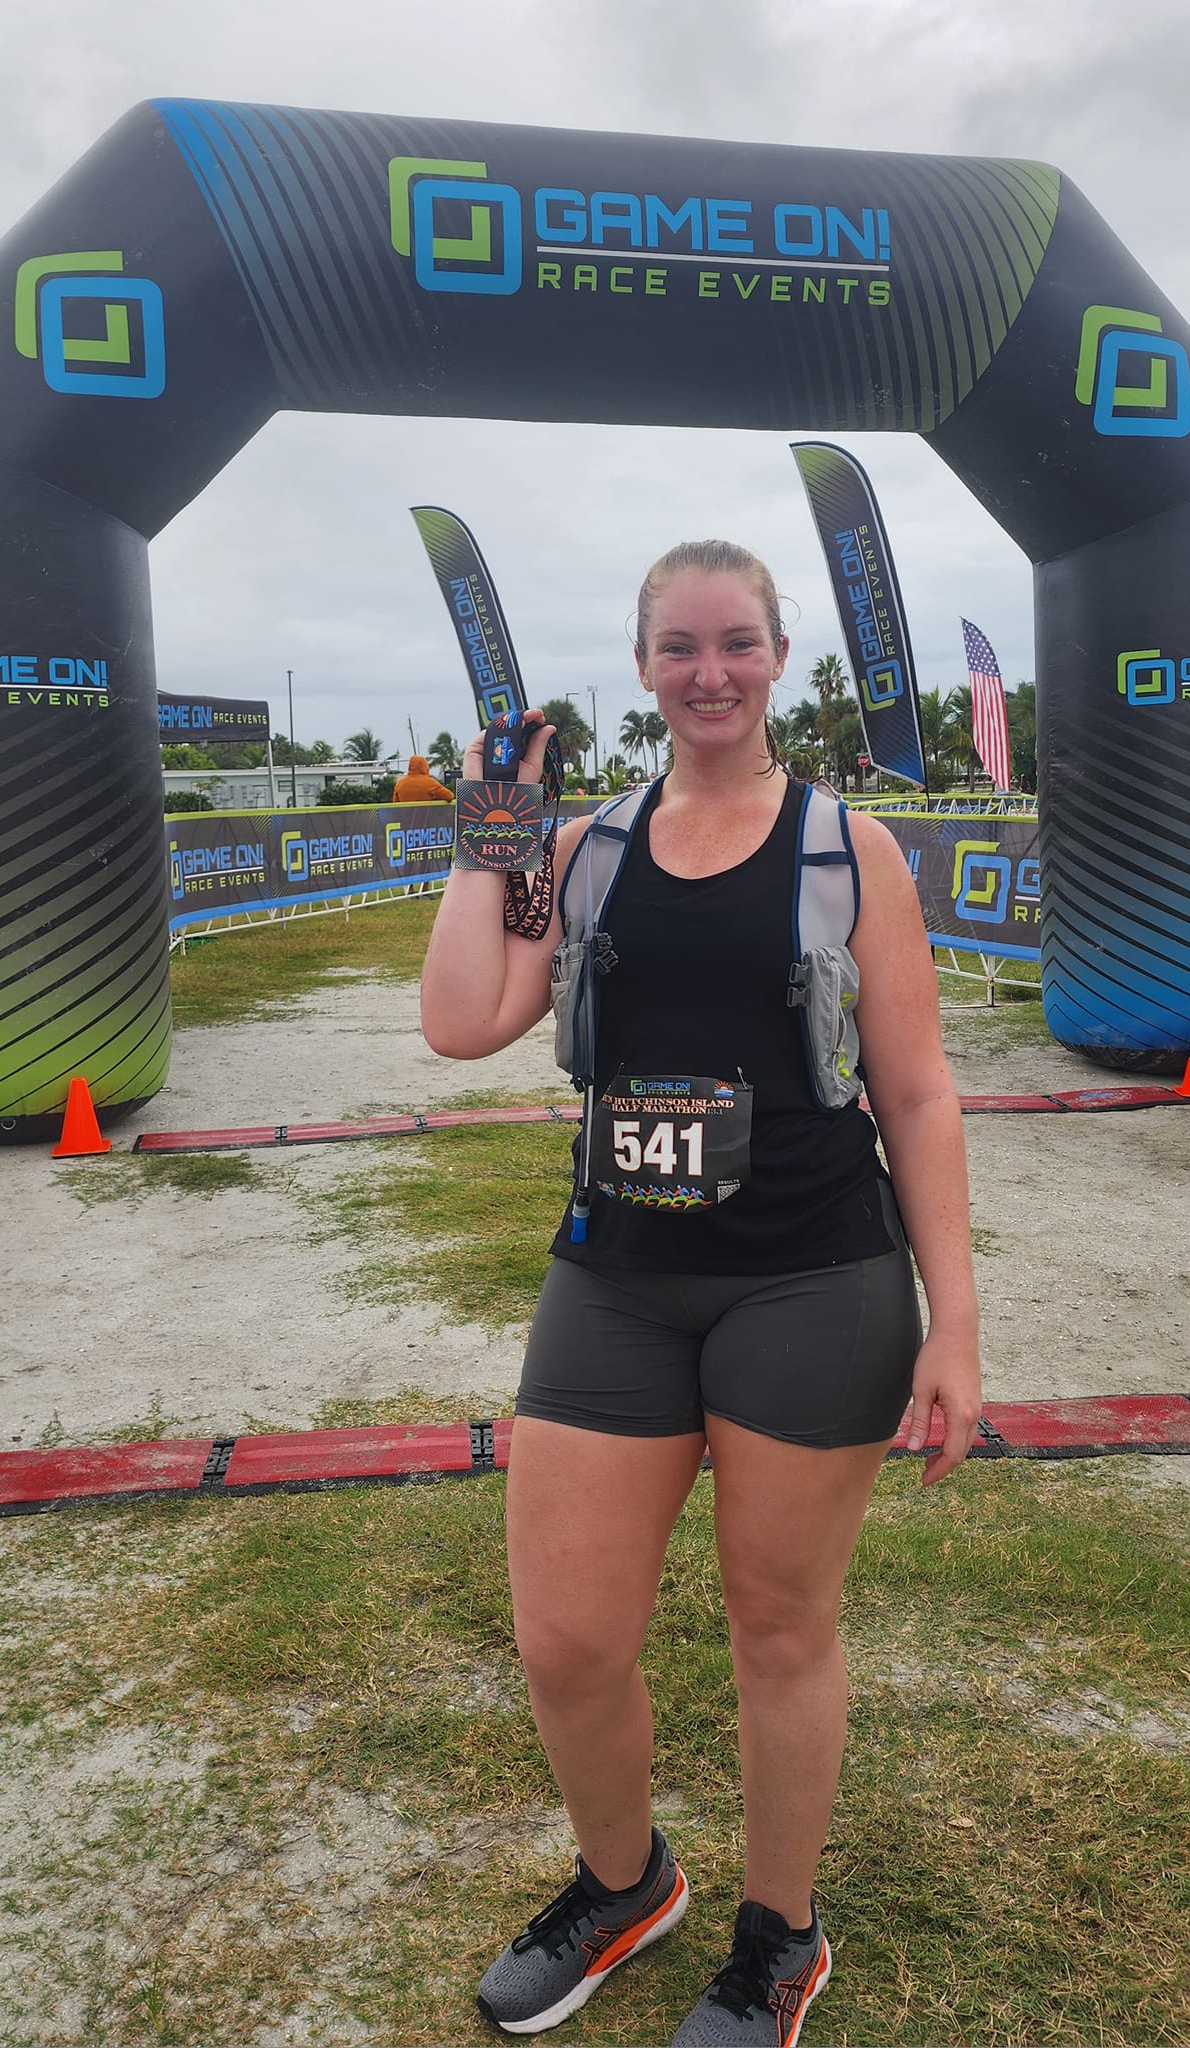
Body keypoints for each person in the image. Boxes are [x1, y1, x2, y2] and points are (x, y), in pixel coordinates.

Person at [420, 539, 980, 2046]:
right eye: (678, 647)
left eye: (736, 643)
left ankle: (778, 1937)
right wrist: (492, 836)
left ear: (779, 656)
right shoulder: (587, 850)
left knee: (777, 1627)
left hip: (814, 1281)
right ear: (645, 665)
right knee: (566, 1639)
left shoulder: (841, 849)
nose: (708, 673)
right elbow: (463, 1018)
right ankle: (625, 1885)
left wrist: (959, 1333)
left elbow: (917, 1096)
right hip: (616, 1278)